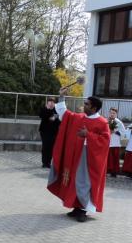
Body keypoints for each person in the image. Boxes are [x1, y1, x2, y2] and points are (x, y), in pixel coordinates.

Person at [47, 88, 111, 222]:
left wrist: (88, 135)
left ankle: (83, 209)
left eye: (87, 104)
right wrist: (62, 97)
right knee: (74, 181)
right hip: (75, 156)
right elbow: (64, 114)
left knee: (84, 182)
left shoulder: (102, 122)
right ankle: (76, 207)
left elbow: (105, 142)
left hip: (89, 159)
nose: (84, 106)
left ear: (94, 108)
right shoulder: (79, 117)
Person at [38, 97, 60, 169]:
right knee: (45, 146)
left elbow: (59, 121)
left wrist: (54, 118)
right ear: (47, 103)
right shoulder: (44, 109)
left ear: (55, 103)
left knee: (51, 147)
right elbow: (41, 116)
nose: (51, 103)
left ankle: (48, 163)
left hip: (54, 132)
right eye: (49, 102)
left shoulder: (57, 110)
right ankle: (44, 162)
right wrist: (48, 110)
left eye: (53, 102)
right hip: (44, 131)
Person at [106, 107, 126, 177]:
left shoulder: (119, 122)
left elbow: (123, 132)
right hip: (107, 142)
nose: (112, 114)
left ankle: (114, 172)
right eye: (111, 113)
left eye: (113, 113)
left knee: (114, 157)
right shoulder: (106, 120)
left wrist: (115, 131)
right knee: (107, 157)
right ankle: (106, 170)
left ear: (116, 114)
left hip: (115, 142)